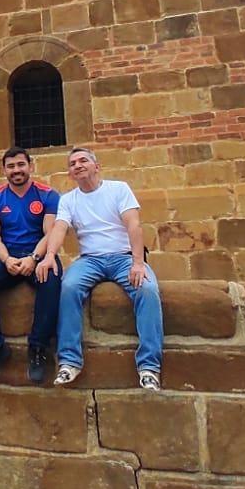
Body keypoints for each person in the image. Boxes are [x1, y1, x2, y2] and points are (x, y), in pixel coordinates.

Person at [38, 146, 164, 390]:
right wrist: (49, 256)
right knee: (69, 288)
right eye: (73, 163)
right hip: (90, 260)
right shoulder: (68, 200)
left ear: (97, 166)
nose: (78, 165)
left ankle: (149, 366)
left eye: (83, 160)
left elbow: (134, 225)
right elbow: (60, 228)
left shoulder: (118, 189)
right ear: (70, 173)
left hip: (123, 256)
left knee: (147, 289)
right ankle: (70, 361)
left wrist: (138, 263)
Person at [0, 147, 62, 384]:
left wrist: (33, 258)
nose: (16, 170)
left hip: (39, 254)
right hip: (8, 256)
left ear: (30, 166)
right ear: (4, 170)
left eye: (20, 165)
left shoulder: (48, 195)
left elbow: (50, 233)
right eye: (10, 166)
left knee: (51, 279)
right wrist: (6, 260)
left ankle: (38, 348)